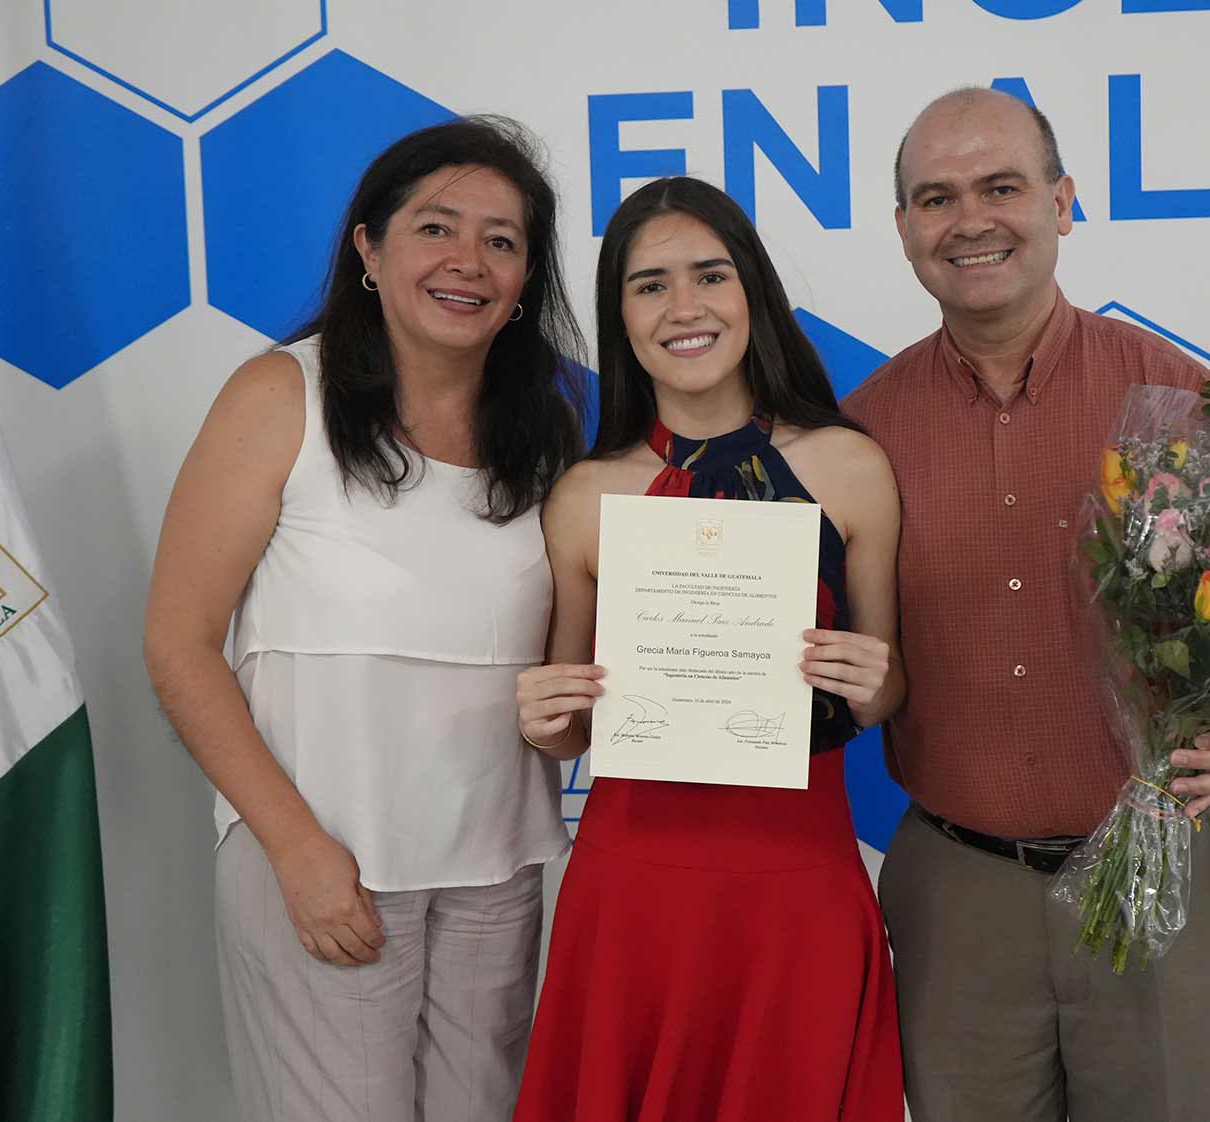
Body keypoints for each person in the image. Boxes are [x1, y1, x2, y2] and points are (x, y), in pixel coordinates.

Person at [843, 88, 1210, 1122]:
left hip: (1155, 861)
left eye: (1002, 186)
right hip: (958, 897)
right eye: (935, 198)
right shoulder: (857, 433)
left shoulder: (1182, 401)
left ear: (1063, 202)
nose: (970, 220)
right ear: (905, 228)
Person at [142, 118, 587, 1122]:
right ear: (368, 249)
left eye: (503, 241)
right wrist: (297, 851)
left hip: (498, 874)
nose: (468, 261)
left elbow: (558, 682)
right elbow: (177, 646)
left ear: (525, 281)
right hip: (325, 867)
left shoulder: (548, 434)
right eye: (436, 227)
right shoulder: (277, 396)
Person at [511, 176, 906, 1122]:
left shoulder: (852, 466)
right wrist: (547, 719)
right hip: (632, 885)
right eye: (649, 285)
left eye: (709, 275)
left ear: (753, 294)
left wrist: (875, 682)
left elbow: (884, 693)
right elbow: (568, 734)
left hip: (796, 881)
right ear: (619, 315)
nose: (682, 307)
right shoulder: (583, 493)